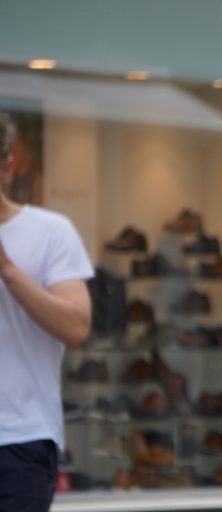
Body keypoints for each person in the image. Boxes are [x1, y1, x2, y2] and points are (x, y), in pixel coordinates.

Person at [0, 112, 93, 511]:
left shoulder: (51, 230)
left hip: (20, 439)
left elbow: (76, 327)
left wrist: (6, 269)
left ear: (7, 167)